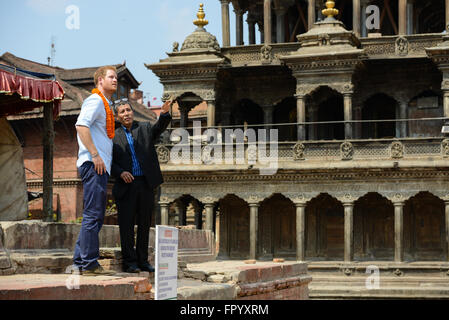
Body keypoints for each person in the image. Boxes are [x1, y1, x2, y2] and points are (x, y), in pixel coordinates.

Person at [111, 97, 173, 273]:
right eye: (122, 112)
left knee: (145, 224)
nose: (126, 114)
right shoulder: (113, 135)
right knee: (127, 226)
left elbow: (159, 128)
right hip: (126, 185)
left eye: (128, 110)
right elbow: (108, 161)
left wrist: (165, 113)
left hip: (145, 183)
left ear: (132, 112)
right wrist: (120, 172)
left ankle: (143, 261)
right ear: (117, 116)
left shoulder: (144, 128)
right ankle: (129, 262)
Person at [72, 66, 118, 276]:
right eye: (111, 77)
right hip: (93, 164)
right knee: (93, 214)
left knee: (96, 214)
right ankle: (89, 263)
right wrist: (95, 154)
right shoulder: (96, 100)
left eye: (117, 77)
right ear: (100, 80)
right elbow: (81, 126)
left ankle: (80, 260)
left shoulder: (107, 103)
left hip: (99, 165)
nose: (115, 80)